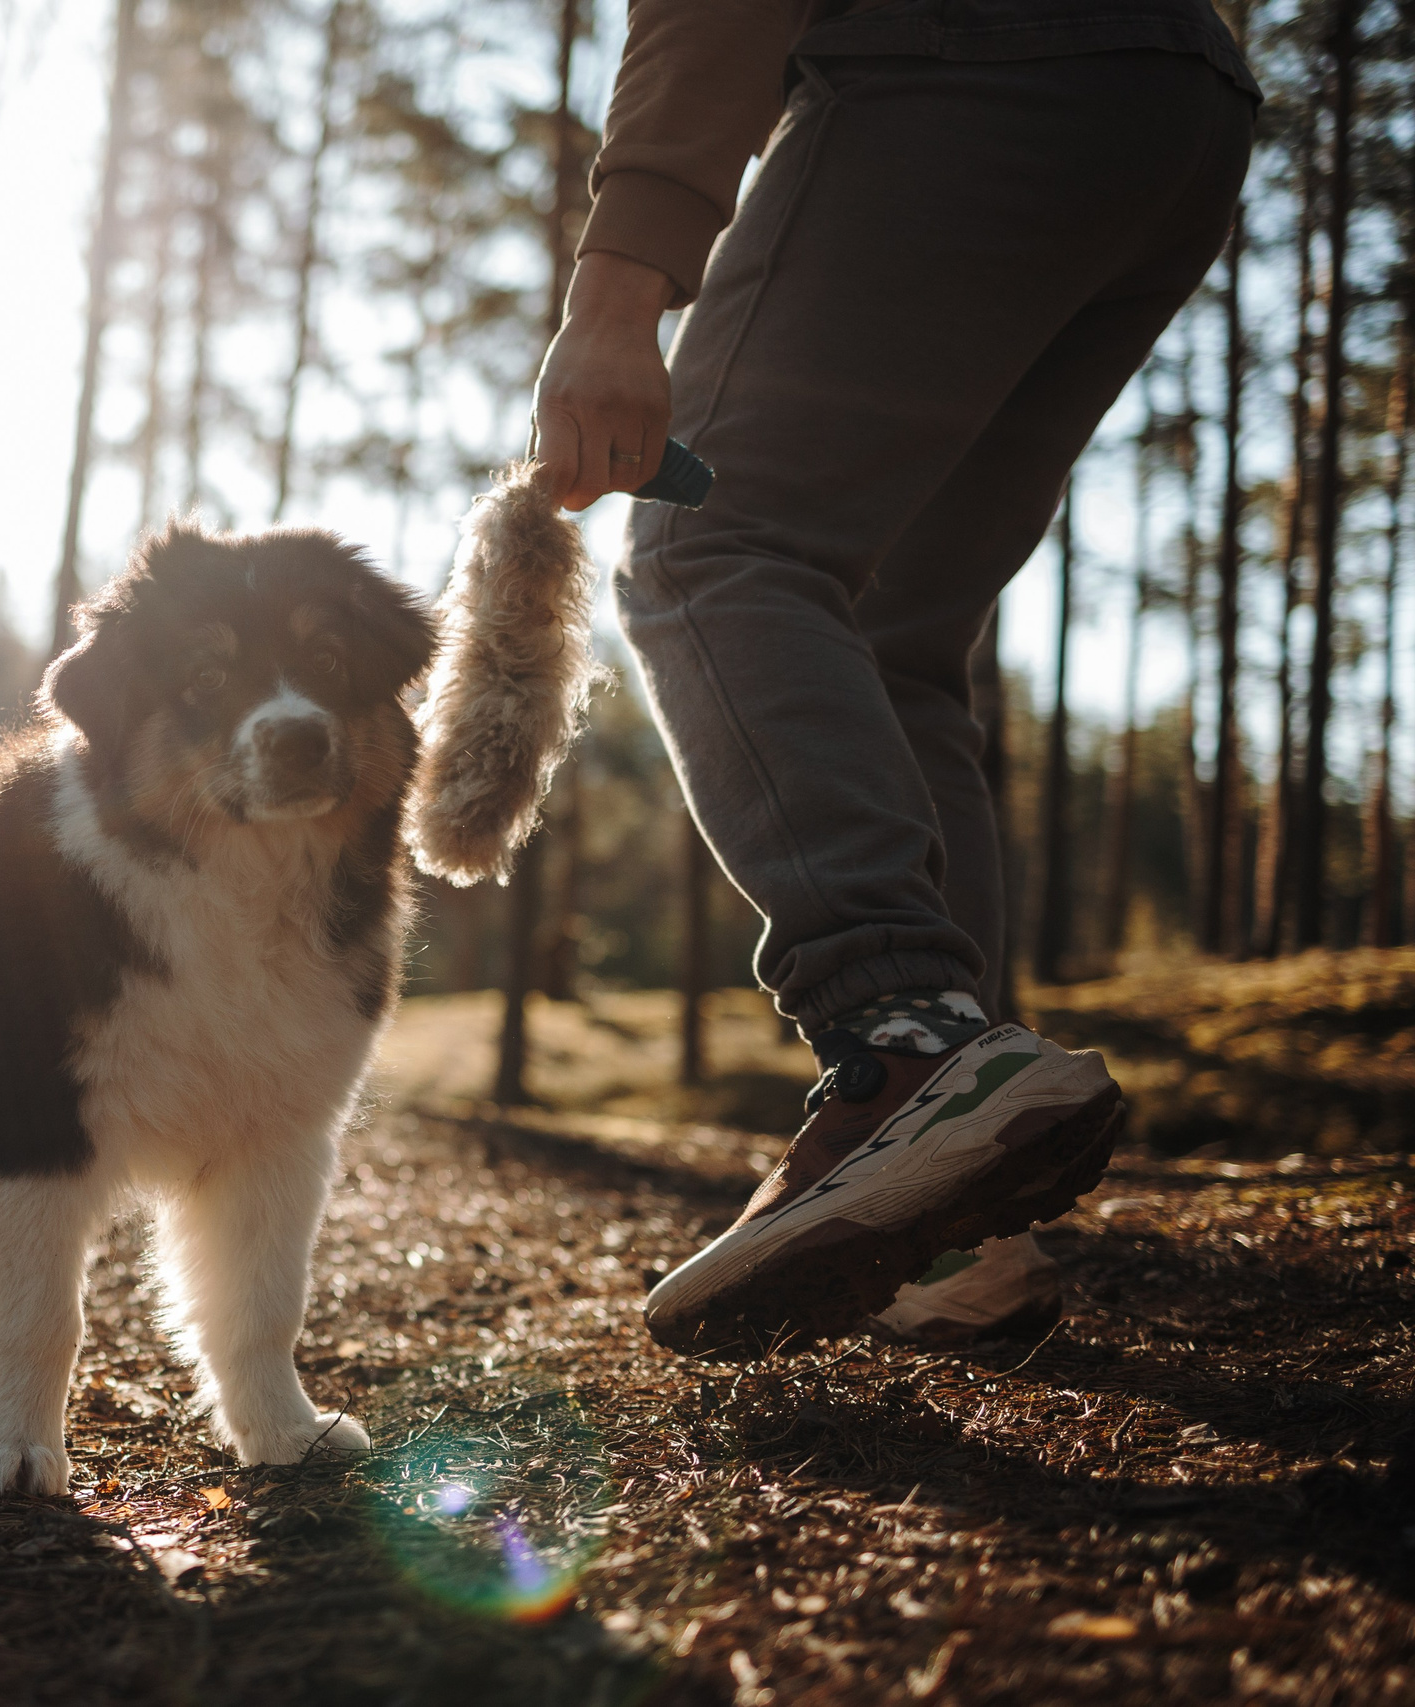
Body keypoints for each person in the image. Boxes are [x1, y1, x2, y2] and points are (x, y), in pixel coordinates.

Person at [530, 0, 1256, 1357]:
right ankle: (956, 1231)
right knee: (889, 638)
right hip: (1176, 103)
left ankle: (904, 1040)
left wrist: (614, 298)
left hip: (957, 61)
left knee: (708, 547)